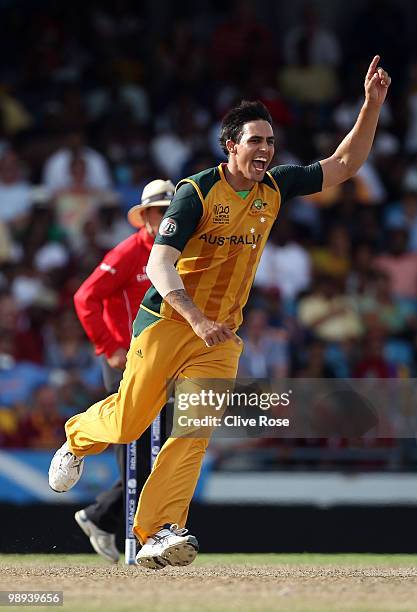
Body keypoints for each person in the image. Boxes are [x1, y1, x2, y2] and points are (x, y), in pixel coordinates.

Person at [49, 56, 391, 570]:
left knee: (192, 431)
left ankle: (157, 530)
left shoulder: (274, 188)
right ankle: (78, 438)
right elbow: (160, 268)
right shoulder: (194, 193)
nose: (266, 151)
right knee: (130, 420)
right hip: (167, 322)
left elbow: (343, 166)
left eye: (271, 142)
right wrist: (195, 317)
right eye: (256, 141)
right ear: (230, 146)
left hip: (220, 337)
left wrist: (372, 105)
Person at [72, 179, 174, 562]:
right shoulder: (131, 251)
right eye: (159, 211)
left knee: (159, 451)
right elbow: (85, 297)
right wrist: (109, 347)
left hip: (163, 360)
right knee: (135, 451)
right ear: (144, 216)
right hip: (126, 361)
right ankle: (128, 532)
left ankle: (101, 517)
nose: (166, 218)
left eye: (171, 210)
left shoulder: (178, 251)